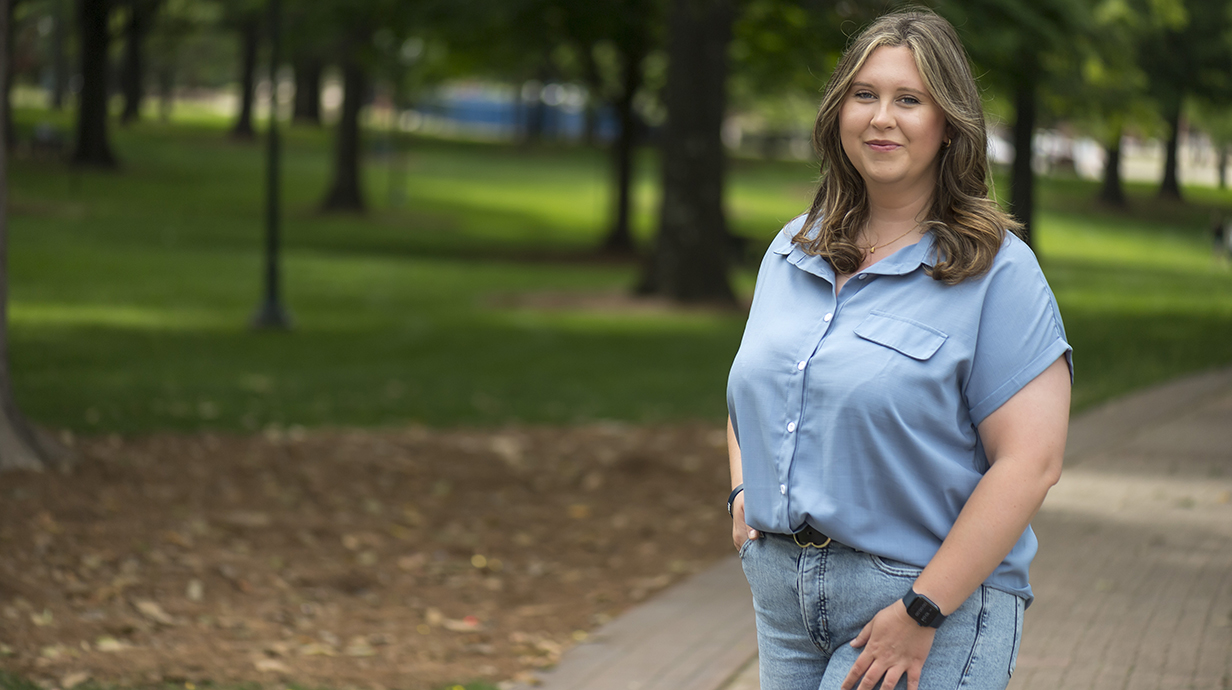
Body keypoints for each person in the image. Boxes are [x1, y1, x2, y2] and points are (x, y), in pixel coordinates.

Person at [725, 9, 1072, 690]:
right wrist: (742, 488)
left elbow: (1031, 462)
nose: (882, 117)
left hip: (922, 604)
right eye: (866, 95)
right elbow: (754, 388)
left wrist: (923, 609)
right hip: (785, 601)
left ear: (949, 124)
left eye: (909, 100)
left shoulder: (997, 272)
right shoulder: (792, 248)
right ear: (838, 113)